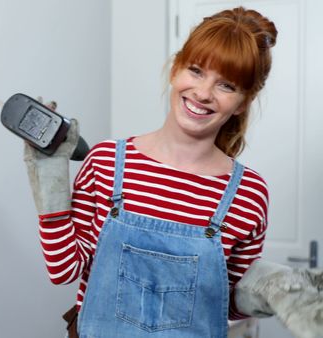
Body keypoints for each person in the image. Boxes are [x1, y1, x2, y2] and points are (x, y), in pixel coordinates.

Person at [23, 6, 323, 338]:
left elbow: (226, 303)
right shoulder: (107, 162)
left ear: (242, 103)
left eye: (226, 85)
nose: (203, 93)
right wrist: (51, 189)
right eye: (196, 71)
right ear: (175, 69)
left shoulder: (248, 194)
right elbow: (64, 270)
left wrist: (271, 286)